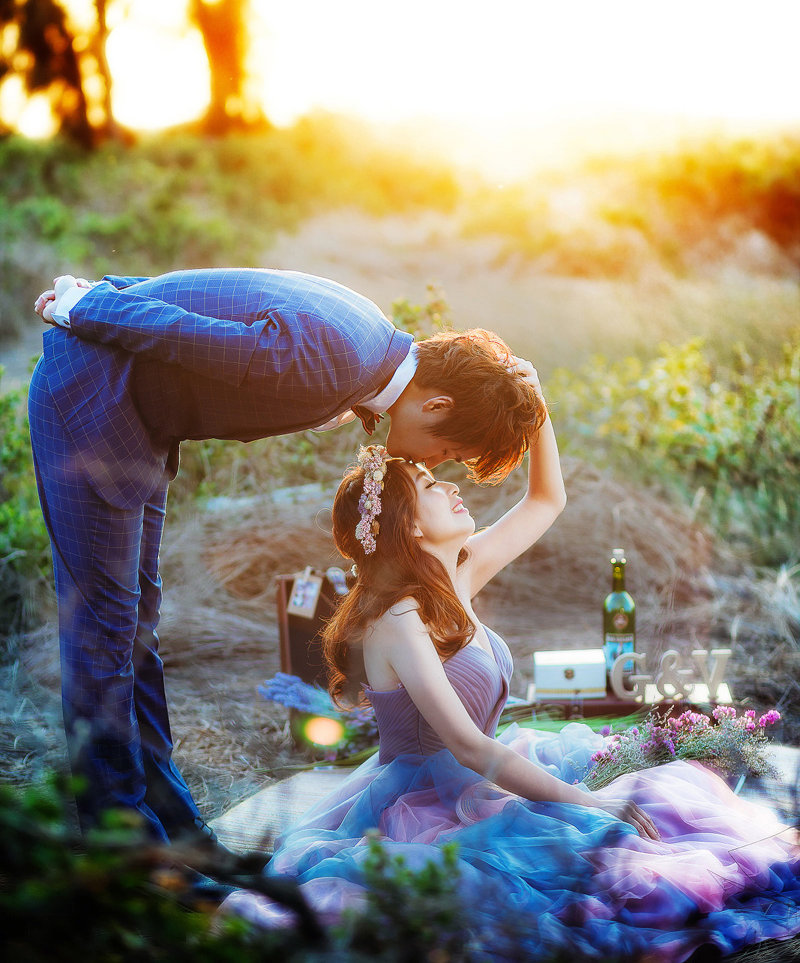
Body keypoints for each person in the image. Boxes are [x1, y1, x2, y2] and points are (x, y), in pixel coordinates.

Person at [221, 371, 800, 961]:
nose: (451, 487)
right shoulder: (398, 620)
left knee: (665, 808)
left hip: (483, 777)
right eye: (428, 485)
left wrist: (534, 400)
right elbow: (472, 749)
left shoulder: (456, 577)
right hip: (425, 803)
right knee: (595, 867)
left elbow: (547, 499)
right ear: (409, 525)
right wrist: (585, 802)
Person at [28, 266, 542, 854]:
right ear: (436, 406)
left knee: (135, 626)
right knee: (105, 631)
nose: (440, 462)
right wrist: (87, 304)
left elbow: (213, 294)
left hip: (137, 426)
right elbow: (189, 334)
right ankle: (124, 849)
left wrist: (115, 291)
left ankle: (174, 826)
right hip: (93, 405)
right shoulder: (339, 364)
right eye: (448, 449)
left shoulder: (367, 349)